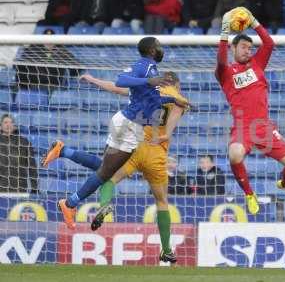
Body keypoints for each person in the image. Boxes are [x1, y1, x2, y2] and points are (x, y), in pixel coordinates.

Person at [42, 71, 188, 264]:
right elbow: (174, 118)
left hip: (133, 145)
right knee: (161, 201)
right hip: (156, 154)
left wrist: (93, 79)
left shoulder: (146, 88)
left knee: (107, 176)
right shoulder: (179, 99)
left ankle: (93, 197)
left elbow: (115, 87)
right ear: (176, 85)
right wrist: (165, 134)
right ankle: (167, 250)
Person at [42, 37, 178, 231]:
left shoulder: (152, 70)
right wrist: (149, 80)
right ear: (151, 49)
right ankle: (69, 203)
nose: (161, 48)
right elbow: (121, 81)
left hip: (126, 123)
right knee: (106, 172)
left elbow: (150, 98)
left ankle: (64, 151)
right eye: (158, 45)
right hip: (129, 126)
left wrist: (172, 99)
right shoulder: (145, 67)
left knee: (106, 169)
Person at [215, 7, 285, 215]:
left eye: (250, 48)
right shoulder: (225, 72)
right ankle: (249, 194)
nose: (248, 51)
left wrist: (253, 21)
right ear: (233, 49)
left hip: (263, 126)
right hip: (243, 127)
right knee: (235, 155)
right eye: (244, 47)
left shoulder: (257, 64)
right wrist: (224, 32)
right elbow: (220, 59)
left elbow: (270, 43)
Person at [14, 28, 81, 92]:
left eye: (51, 38)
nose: (48, 41)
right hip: (33, 84)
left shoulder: (62, 51)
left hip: (53, 85)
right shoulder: (33, 50)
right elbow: (21, 63)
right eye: (46, 38)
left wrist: (81, 74)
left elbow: (76, 65)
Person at [0, 114, 38, 193]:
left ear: (14, 126)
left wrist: (34, 188)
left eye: (11, 122)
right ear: (0, 126)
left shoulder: (24, 142)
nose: (8, 125)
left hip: (19, 188)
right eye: (5, 122)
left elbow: (32, 166)